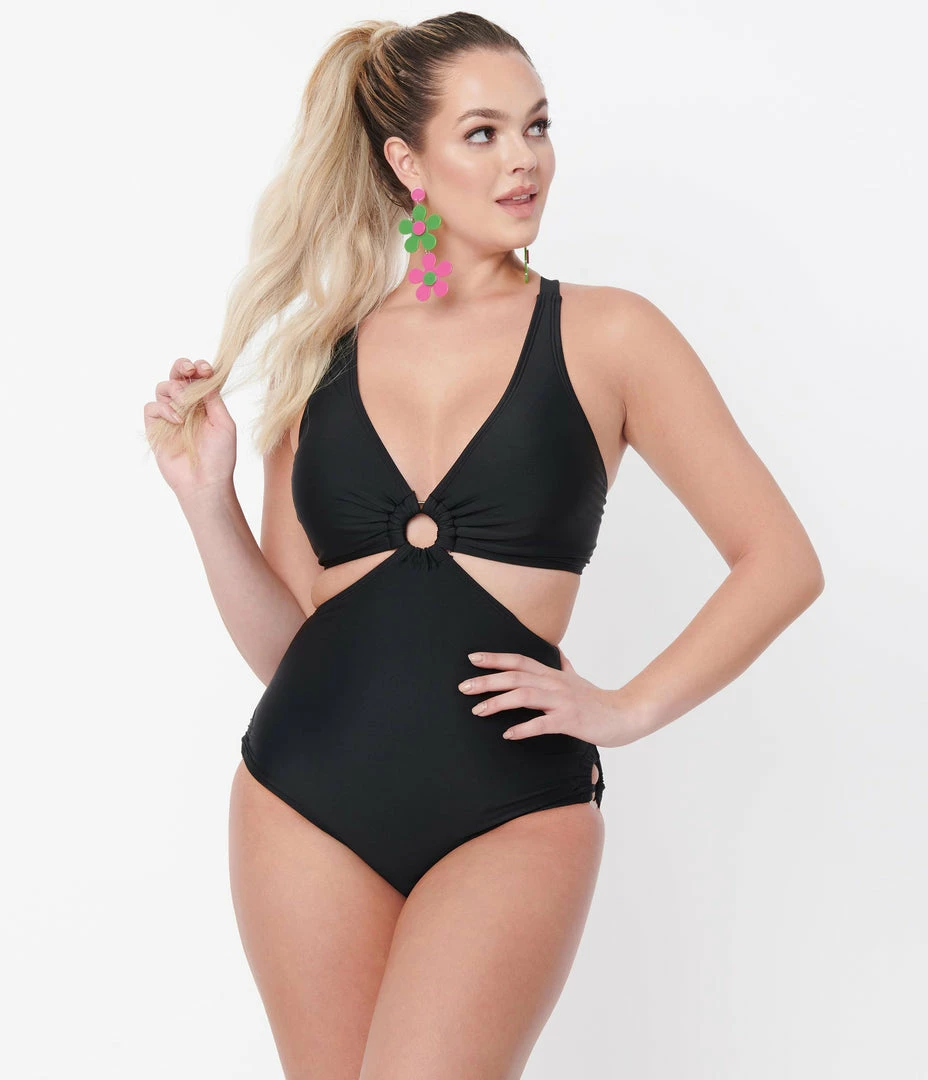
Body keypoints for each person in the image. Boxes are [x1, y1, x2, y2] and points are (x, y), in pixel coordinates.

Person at [143, 13, 824, 1079]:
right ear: (407, 163)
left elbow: (780, 559)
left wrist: (628, 707)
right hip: (300, 798)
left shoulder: (609, 333)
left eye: (537, 126)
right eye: (484, 132)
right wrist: (204, 501)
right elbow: (291, 647)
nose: (524, 159)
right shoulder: (321, 355)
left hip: (510, 803)